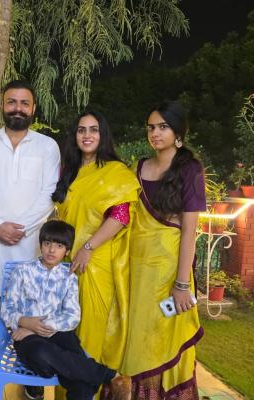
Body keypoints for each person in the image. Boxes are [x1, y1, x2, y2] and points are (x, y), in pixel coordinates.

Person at [0, 80, 60, 399]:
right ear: (2, 105)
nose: (18, 108)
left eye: (24, 103)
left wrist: (18, 227)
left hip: (31, 246)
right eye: (12, 102)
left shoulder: (47, 146)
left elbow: (49, 193)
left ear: (33, 108)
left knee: (34, 315)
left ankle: (32, 381)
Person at [121, 101, 206, 399]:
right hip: (137, 272)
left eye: (163, 127)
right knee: (138, 336)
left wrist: (181, 285)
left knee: (165, 337)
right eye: (151, 127)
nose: (155, 133)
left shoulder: (190, 170)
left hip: (170, 272)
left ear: (178, 132)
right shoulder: (139, 167)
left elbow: (189, 231)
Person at [52, 111, 140, 396]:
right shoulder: (71, 171)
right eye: (81, 130)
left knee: (90, 331)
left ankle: (86, 391)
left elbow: (120, 215)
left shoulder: (115, 172)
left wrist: (88, 248)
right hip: (67, 262)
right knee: (66, 333)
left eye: (93, 129)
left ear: (103, 135)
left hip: (96, 261)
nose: (87, 135)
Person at [0, 220, 128, 400]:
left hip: (59, 334)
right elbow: (7, 309)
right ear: (41, 245)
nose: (52, 250)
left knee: (80, 382)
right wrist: (25, 322)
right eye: (47, 243)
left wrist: (37, 326)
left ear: (67, 251)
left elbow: (72, 316)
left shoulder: (69, 277)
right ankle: (108, 375)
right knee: (42, 354)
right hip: (27, 337)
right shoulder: (22, 271)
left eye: (59, 246)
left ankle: (81, 369)